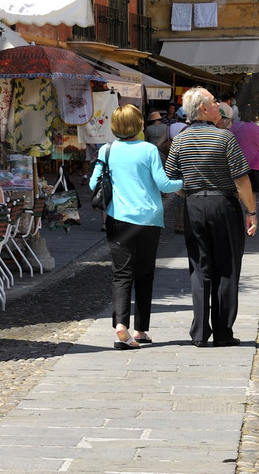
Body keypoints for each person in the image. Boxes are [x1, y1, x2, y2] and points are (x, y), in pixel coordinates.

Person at [164, 87, 258, 348]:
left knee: (199, 267)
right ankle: (223, 332)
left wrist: (191, 192)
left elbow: (171, 179)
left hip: (194, 204)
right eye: (215, 102)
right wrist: (251, 211)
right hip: (223, 203)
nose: (219, 105)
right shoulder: (224, 138)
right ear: (203, 108)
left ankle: (200, 332)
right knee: (227, 266)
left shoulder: (180, 140)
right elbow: (241, 179)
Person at [91, 104, 182, 349]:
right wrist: (184, 181)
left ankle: (121, 325)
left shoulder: (106, 150)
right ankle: (140, 330)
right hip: (148, 219)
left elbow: (92, 184)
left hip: (117, 218)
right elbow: (164, 184)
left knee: (121, 274)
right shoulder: (148, 149)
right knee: (144, 274)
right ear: (139, 125)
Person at [230, 104, 259, 194]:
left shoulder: (234, 127)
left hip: (239, 165)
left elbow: (228, 146)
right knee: (252, 193)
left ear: (241, 114)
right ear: (255, 116)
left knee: (238, 193)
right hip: (256, 165)